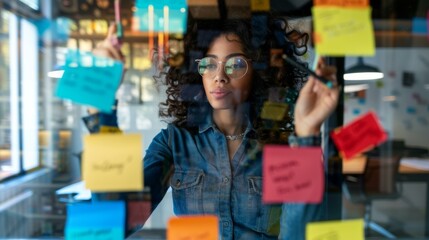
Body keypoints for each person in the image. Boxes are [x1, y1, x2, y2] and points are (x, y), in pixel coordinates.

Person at [93, 18, 339, 240]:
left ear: (260, 72)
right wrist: (102, 111)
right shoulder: (174, 142)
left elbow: (299, 235)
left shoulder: (279, 145)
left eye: (235, 64)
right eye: (209, 64)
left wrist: (307, 134)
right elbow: (116, 223)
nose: (219, 76)